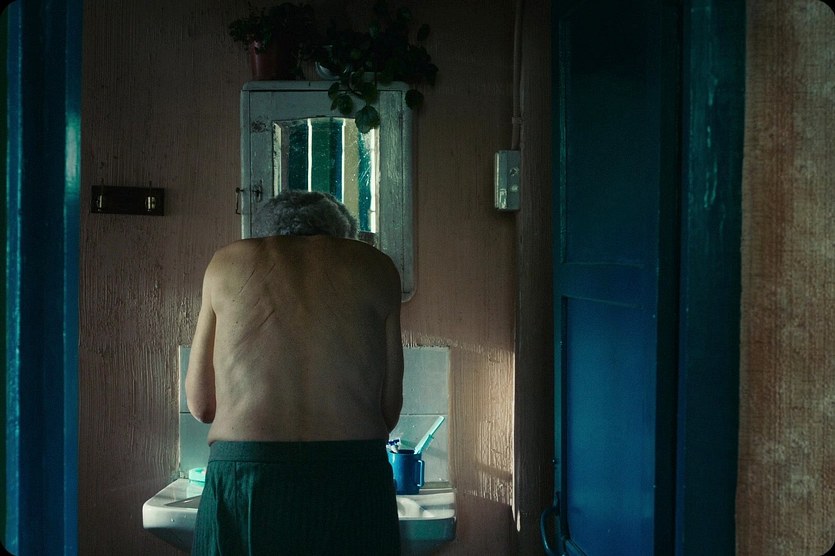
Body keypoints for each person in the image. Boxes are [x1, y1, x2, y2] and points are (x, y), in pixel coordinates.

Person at [186, 190, 404, 555]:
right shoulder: (376, 267)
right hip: (353, 476)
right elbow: (389, 410)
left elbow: (201, 405)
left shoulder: (226, 264)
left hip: (245, 477)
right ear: (340, 234)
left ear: (265, 232)